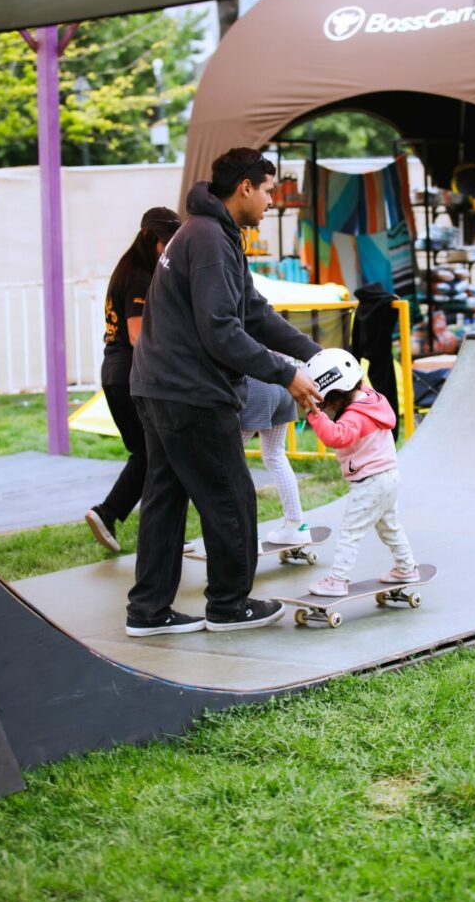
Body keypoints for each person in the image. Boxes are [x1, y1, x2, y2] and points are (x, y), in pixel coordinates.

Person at [126, 147, 322, 637]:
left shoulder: (208, 232)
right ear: (245, 188)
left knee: (165, 498)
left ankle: (148, 612)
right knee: (231, 496)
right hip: (189, 391)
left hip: (158, 385)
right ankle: (230, 606)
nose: (272, 201)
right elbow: (221, 331)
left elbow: (252, 310)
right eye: (270, 190)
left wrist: (313, 354)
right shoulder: (210, 237)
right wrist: (285, 373)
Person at [85, 207, 181, 552]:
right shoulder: (140, 275)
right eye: (164, 244)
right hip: (129, 374)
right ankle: (113, 514)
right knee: (153, 453)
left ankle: (119, 517)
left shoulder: (125, 269)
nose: (167, 251)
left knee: (148, 453)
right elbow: (138, 335)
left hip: (115, 372)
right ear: (149, 239)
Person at [302, 348, 418, 597]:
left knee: (350, 532)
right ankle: (406, 567)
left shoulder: (354, 416)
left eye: (328, 401)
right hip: (389, 475)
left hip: (370, 482)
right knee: (390, 527)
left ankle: (337, 580)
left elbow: (336, 436)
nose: (328, 407)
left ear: (340, 391)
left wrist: (314, 414)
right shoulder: (372, 398)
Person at [240, 372, 312, 548]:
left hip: (258, 385)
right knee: (276, 456)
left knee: (228, 456)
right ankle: (295, 526)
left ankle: (246, 536)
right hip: (286, 386)